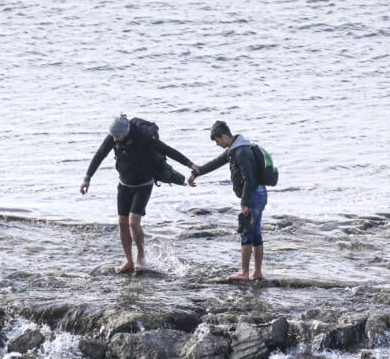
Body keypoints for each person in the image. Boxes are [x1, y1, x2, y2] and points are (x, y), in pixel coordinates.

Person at [81, 115, 199, 274]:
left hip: (143, 184)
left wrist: (190, 164)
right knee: (122, 222)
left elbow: (167, 150)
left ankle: (141, 257)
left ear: (126, 132)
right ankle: (129, 261)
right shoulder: (113, 136)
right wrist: (87, 178)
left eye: (118, 136)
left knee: (133, 222)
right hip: (124, 184)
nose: (115, 140)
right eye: (113, 136)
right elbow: (100, 154)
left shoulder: (143, 138)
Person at [188, 120, 267, 281]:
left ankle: (244, 272)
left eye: (217, 141)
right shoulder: (236, 148)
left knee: (246, 233)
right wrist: (196, 173)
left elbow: (249, 180)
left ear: (223, 136)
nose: (217, 144)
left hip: (252, 195)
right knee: (256, 233)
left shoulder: (241, 152)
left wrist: (244, 203)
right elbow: (215, 163)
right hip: (259, 193)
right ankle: (257, 272)